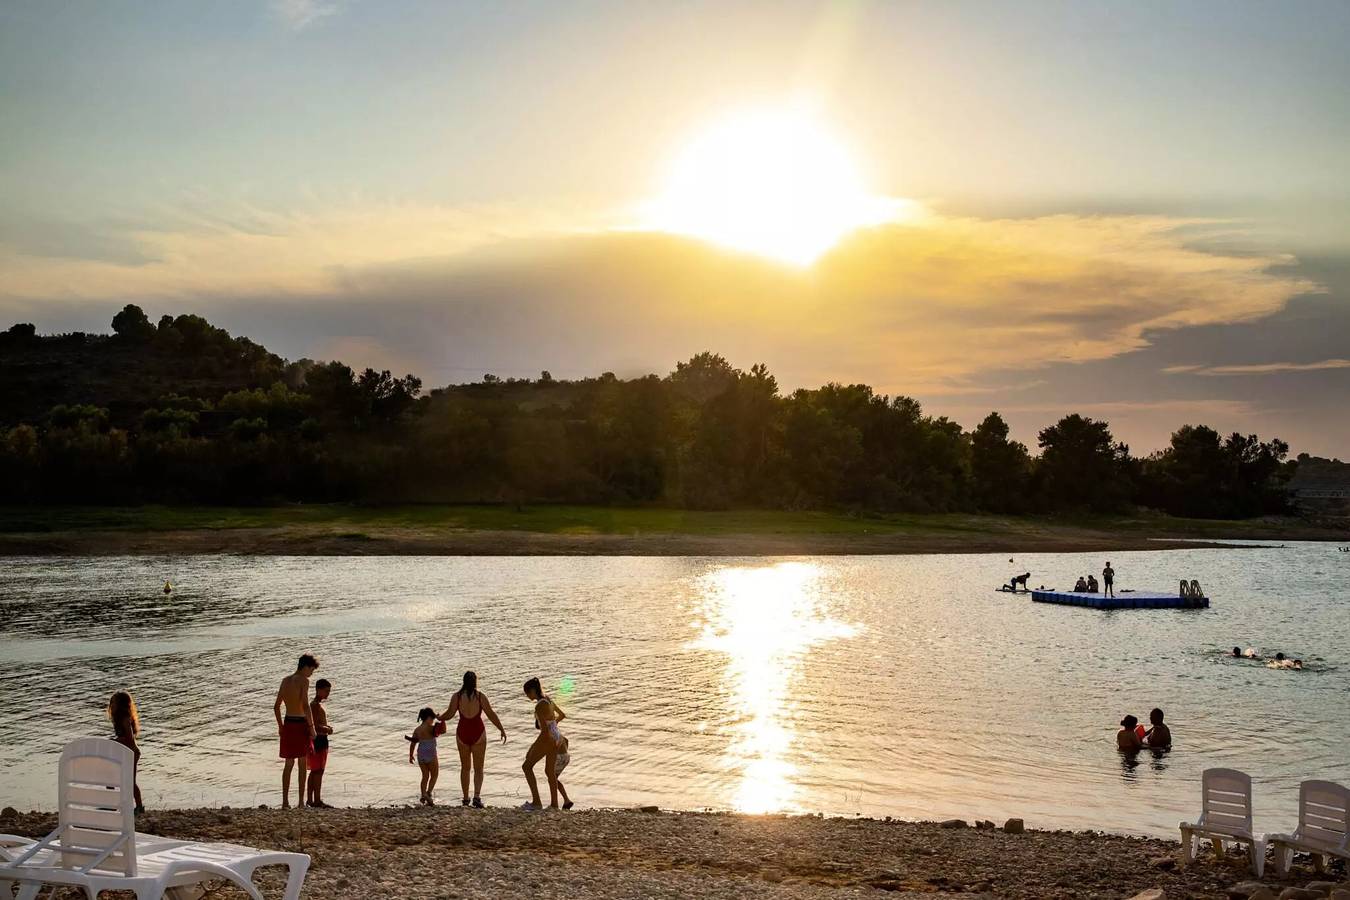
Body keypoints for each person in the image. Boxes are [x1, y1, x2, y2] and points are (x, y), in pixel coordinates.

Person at [439, 671, 507, 809]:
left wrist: (439, 717)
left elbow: (449, 714)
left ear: (463, 681)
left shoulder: (457, 697)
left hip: (462, 733)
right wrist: (501, 729)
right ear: (475, 682)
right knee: (478, 768)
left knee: (465, 768)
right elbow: (491, 714)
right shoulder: (480, 697)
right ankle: (476, 796)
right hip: (478, 733)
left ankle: (465, 798)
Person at [273, 653, 319, 810]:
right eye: (311, 670)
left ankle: (285, 802)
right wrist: (312, 727)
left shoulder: (285, 681)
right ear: (305, 667)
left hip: (287, 722)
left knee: (288, 763)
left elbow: (276, 706)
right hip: (300, 724)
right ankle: (300, 802)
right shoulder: (304, 681)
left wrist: (280, 726)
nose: (311, 674)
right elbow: (306, 705)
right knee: (301, 763)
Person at [521, 677, 572, 810]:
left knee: (527, 767)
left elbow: (544, 732)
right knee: (550, 772)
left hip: (549, 739)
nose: (527, 696)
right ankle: (554, 805)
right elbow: (561, 715)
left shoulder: (539, 706)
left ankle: (537, 802)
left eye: (527, 693)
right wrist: (553, 725)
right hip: (557, 738)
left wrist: (532, 748)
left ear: (532, 691)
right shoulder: (548, 700)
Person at [108, 691, 144, 814]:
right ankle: (112, 803)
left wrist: (115, 741)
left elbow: (129, 738)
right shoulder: (117, 718)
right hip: (123, 752)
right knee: (110, 778)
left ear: (122, 705)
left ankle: (139, 807)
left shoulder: (125, 718)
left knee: (131, 782)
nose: (111, 705)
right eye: (111, 703)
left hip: (132, 752)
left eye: (114, 703)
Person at [306, 678, 334, 808]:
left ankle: (311, 799)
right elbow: (315, 726)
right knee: (318, 771)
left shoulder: (316, 705)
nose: (328, 694)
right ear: (319, 690)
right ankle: (316, 800)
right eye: (326, 691)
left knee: (315, 770)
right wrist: (328, 729)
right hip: (318, 740)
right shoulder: (315, 705)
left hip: (319, 739)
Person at [408, 707, 440, 805]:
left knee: (425, 776)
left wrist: (411, 755)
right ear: (429, 718)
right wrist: (441, 719)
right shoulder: (431, 728)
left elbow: (413, 743)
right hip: (431, 753)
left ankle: (423, 794)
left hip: (421, 754)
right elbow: (442, 730)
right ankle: (428, 793)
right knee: (434, 775)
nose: (433, 721)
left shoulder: (417, 730)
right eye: (433, 719)